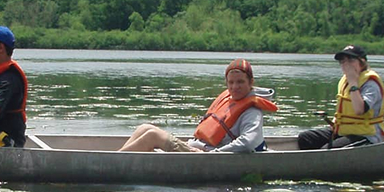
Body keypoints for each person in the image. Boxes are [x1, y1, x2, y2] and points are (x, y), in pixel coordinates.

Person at [118, 59, 278, 153]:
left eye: (241, 82)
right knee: (144, 128)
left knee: (152, 135)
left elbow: (249, 142)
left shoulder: (252, 112)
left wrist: (216, 153)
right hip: (194, 147)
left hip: (203, 155)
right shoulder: (230, 101)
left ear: (251, 83)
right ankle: (115, 159)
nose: (235, 87)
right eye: (231, 82)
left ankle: (112, 163)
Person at [297, 45, 384, 150]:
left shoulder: (370, 83)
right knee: (305, 138)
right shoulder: (345, 80)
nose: (346, 65)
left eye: (351, 60)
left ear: (362, 62)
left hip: (366, 135)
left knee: (326, 150)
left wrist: (353, 82)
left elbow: (359, 110)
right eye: (343, 61)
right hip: (344, 131)